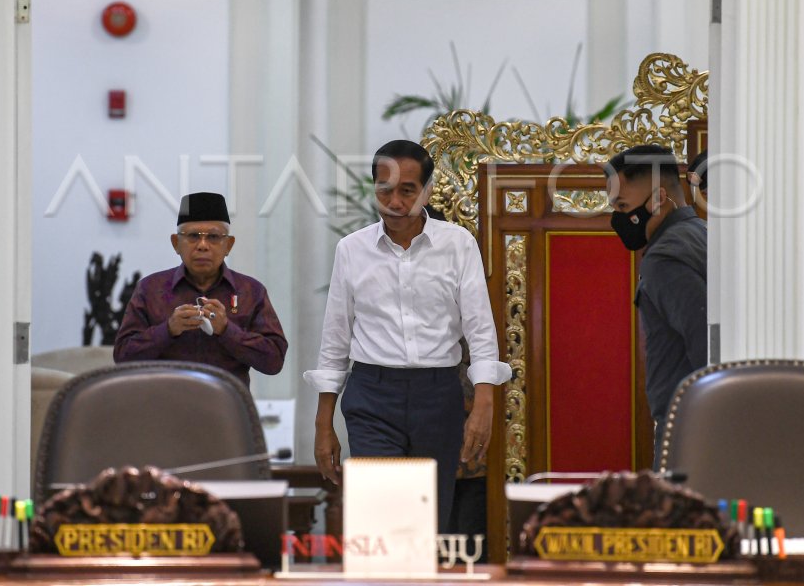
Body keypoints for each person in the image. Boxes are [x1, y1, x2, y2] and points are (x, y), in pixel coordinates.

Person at [304, 140, 511, 533]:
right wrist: (323, 424)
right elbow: (334, 342)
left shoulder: (457, 244)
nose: (394, 202)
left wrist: (483, 403)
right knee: (382, 522)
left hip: (439, 396)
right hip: (371, 395)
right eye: (385, 189)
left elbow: (481, 330)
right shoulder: (352, 250)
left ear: (427, 190)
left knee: (430, 520)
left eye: (407, 190)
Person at [113, 191, 287, 386]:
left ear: (228, 245)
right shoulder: (151, 289)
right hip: (165, 407)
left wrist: (227, 330)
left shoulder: (250, 291)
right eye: (193, 236)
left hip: (227, 410)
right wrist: (168, 329)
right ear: (176, 243)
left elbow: (274, 361)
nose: (203, 246)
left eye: (213, 237)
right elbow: (122, 356)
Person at [605, 144, 707, 455]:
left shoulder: (665, 258)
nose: (617, 219)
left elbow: (703, 342)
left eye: (623, 207)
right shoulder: (702, 232)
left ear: (659, 198)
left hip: (690, 429)